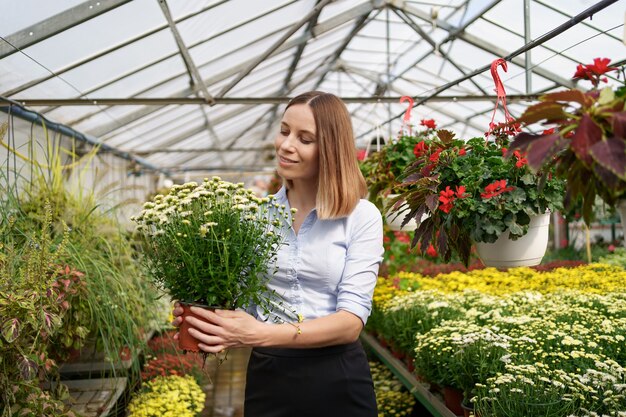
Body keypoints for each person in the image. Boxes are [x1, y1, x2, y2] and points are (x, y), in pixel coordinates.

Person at [172, 91, 383, 417]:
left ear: (329, 149)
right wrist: (203, 316)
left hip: (339, 379)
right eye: (284, 131)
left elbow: (350, 322)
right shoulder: (256, 216)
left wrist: (262, 333)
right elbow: (241, 302)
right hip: (270, 379)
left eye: (305, 138)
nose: (286, 145)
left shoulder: (360, 216)